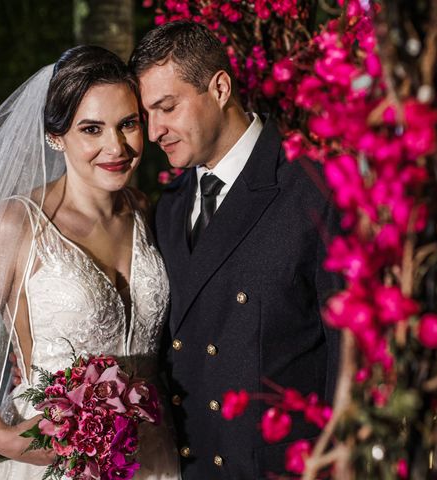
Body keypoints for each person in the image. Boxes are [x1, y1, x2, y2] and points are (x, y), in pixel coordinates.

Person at [0, 46, 179, 479]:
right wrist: (2, 436)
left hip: (153, 457)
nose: (116, 146)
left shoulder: (144, 211)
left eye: (127, 124)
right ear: (56, 136)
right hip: (55, 460)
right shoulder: (13, 225)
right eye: (91, 129)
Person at [129, 21, 342, 479]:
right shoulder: (166, 210)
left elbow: (350, 360)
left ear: (220, 88)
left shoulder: (312, 188)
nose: (153, 132)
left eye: (166, 108)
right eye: (147, 115)